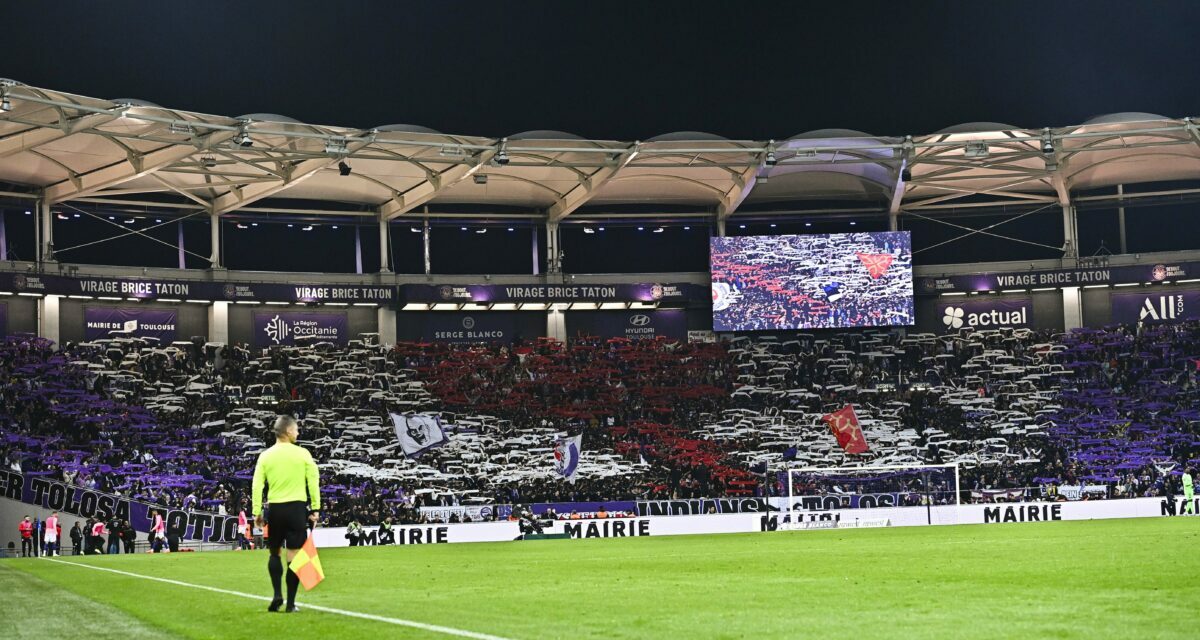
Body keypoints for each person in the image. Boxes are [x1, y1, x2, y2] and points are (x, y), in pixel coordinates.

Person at [252, 415, 321, 613]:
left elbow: (257, 485)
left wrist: (257, 511)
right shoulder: (303, 454)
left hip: (276, 509)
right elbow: (313, 481)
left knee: (274, 552)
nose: (298, 433)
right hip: (297, 509)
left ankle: (277, 595)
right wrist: (315, 508)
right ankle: (290, 604)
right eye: (297, 429)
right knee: (294, 556)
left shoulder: (265, 456)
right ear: (289, 431)